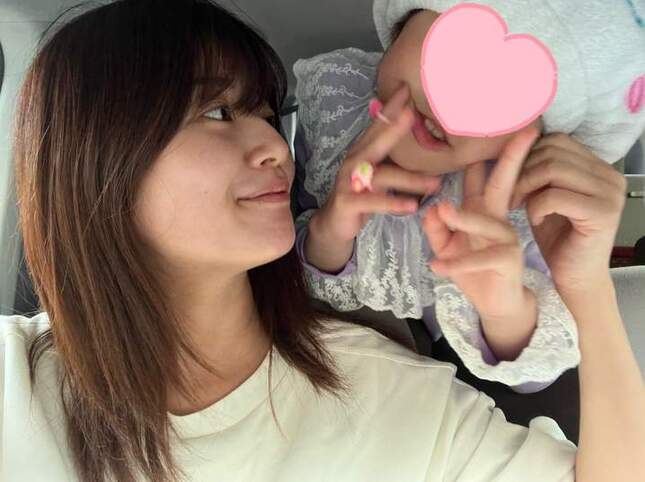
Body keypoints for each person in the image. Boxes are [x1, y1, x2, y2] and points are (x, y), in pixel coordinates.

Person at [2, 1, 644, 481]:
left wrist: (585, 289)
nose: (273, 144)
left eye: (265, 114)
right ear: (90, 151)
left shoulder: (397, 397)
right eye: (218, 112)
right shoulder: (14, 375)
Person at [292, 0, 645, 435]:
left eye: (508, 93)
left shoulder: (527, 207)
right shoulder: (335, 100)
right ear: (402, 24)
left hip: (465, 391)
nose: (452, 102)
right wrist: (331, 230)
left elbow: (533, 378)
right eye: (455, 51)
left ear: (533, 138)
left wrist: (503, 308)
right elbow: (300, 239)